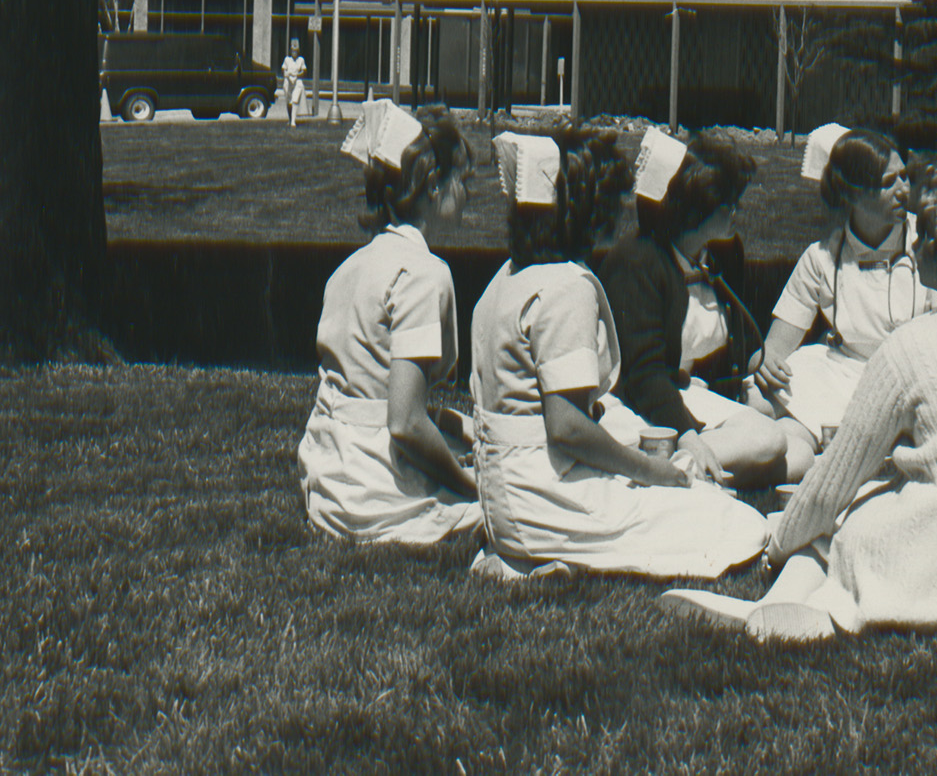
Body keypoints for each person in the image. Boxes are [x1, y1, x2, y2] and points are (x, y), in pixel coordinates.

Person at [657, 153, 937, 642]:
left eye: (922, 234)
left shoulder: (917, 344)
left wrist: (778, 543)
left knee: (849, 508)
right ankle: (782, 610)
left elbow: (832, 479)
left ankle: (788, 605)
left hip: (936, 576)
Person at [468, 127, 769, 580]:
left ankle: (517, 557)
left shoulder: (506, 278)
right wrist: (650, 470)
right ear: (589, 212)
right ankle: (536, 557)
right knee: (738, 523)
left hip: (504, 495)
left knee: (692, 493)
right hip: (545, 495)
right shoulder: (566, 285)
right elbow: (567, 427)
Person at [297, 100, 482, 543]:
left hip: (328, 476)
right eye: (464, 180)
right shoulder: (422, 274)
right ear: (434, 185)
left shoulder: (351, 267)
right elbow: (404, 422)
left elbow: (375, 390)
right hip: (375, 489)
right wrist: (469, 485)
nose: (468, 193)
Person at [747, 124, 937, 480]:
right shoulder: (823, 258)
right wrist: (765, 362)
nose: (905, 190)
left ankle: (825, 461)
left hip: (913, 380)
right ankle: (781, 463)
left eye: (904, 177)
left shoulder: (930, 247)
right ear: (853, 194)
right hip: (844, 374)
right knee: (760, 397)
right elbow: (774, 348)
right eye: (888, 183)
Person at [598, 128, 788, 489]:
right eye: (727, 204)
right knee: (771, 441)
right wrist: (687, 435)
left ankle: (701, 477)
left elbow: (735, 333)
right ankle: (661, 469)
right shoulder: (636, 263)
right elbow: (644, 375)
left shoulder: (721, 253)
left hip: (694, 392)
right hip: (646, 403)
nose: (736, 211)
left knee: (798, 449)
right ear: (696, 209)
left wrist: (756, 363)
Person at [281, 38, 306, 127]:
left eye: (296, 51)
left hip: (297, 81)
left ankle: (293, 122)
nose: (294, 52)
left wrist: (297, 75)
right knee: (289, 102)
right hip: (288, 82)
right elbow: (283, 69)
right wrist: (287, 74)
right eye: (292, 51)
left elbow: (304, 71)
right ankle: (290, 118)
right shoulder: (287, 59)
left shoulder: (301, 60)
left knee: (295, 100)